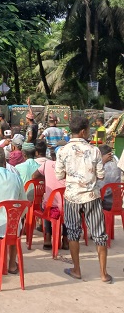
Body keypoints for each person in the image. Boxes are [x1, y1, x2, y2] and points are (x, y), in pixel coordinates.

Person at [55, 116, 111, 283]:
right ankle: (103, 274)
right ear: (82, 131)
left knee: (73, 233)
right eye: (88, 130)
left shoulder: (62, 151)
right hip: (91, 196)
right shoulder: (94, 150)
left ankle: (77, 270)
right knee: (100, 234)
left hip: (71, 196)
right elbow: (101, 175)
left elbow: (59, 175)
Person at [31, 143, 68, 251]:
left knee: (47, 203)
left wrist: (47, 176)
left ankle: (47, 236)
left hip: (50, 208)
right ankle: (65, 239)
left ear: (53, 156)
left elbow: (34, 176)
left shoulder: (47, 164)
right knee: (67, 207)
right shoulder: (70, 166)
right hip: (67, 207)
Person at [97, 145, 121, 211]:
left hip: (105, 203)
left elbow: (104, 191)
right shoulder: (116, 165)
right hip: (117, 201)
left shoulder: (105, 167)